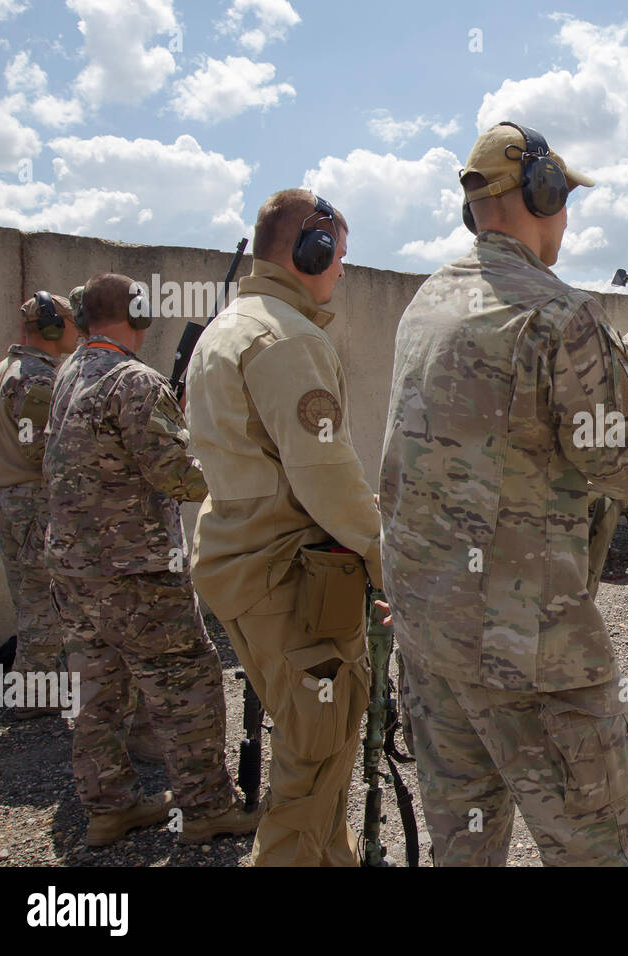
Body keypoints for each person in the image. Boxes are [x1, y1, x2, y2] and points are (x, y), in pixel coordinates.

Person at [379, 122, 628, 866]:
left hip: (430, 633)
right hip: (530, 653)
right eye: (562, 197)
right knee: (611, 849)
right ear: (540, 193)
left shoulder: (430, 300)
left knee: (465, 846)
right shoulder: (559, 314)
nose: (566, 214)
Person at [186, 190, 381, 867]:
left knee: (311, 743)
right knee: (314, 758)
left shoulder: (230, 325)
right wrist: (392, 558)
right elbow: (327, 477)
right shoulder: (289, 340)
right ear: (311, 251)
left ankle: (331, 855)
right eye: (339, 258)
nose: (342, 272)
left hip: (242, 567)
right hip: (289, 582)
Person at [43, 273, 254, 848]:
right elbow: (177, 475)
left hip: (73, 566)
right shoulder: (134, 380)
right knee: (185, 679)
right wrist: (241, 480)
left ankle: (109, 809)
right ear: (138, 314)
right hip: (135, 569)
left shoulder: (69, 373)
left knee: (96, 689)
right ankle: (207, 808)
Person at [0, 293, 77, 716]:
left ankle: (33, 690)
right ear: (52, 327)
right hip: (34, 502)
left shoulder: (7, 369)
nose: (76, 330)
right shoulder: (35, 379)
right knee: (42, 601)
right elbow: (35, 450)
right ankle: (33, 698)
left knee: (31, 598)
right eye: (69, 322)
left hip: (16, 501)